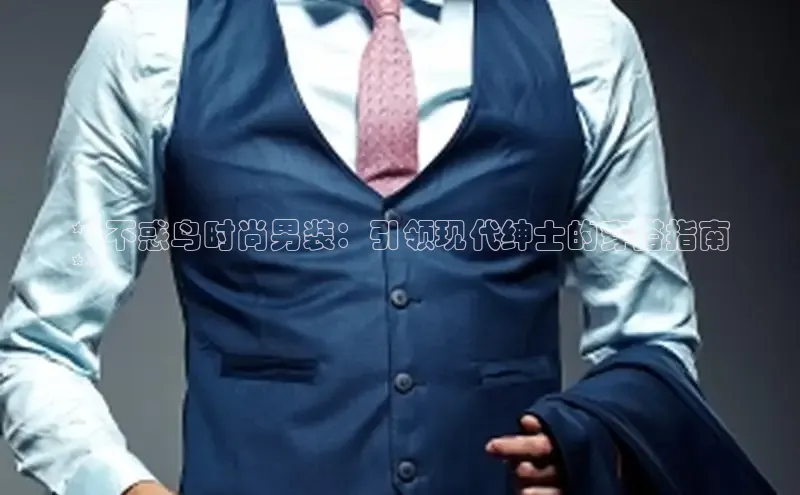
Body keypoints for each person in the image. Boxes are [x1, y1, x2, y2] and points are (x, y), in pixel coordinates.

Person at [0, 1, 769, 494]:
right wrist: (123, 490)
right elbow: (38, 346)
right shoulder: (153, 36)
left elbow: (651, 343)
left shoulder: (587, 37)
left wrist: (592, 443)